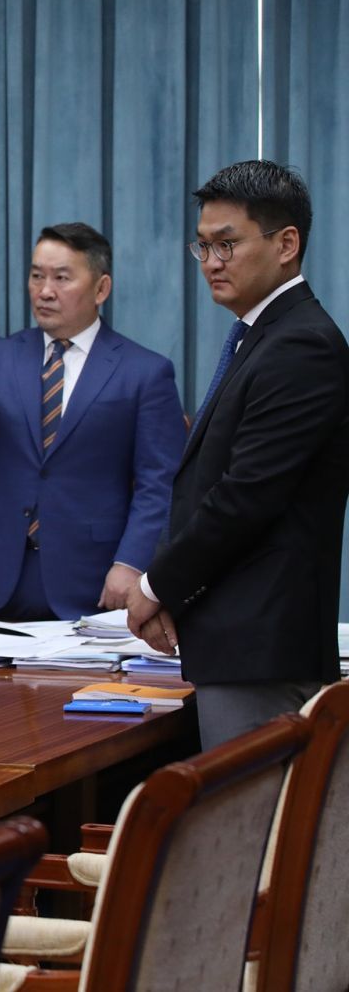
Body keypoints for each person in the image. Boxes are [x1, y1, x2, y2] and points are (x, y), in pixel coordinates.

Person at [127, 161, 349, 750]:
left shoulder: (301, 345)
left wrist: (155, 586)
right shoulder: (262, 336)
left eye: (227, 244)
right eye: (202, 246)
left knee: (253, 812)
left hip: (261, 649)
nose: (211, 262)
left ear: (286, 244)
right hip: (235, 640)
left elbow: (245, 496)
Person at [0, 223, 186, 621]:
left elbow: (160, 483)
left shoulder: (144, 372)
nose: (45, 291)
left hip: (91, 574)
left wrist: (131, 563)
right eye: (37, 276)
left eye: (61, 278)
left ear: (101, 288)